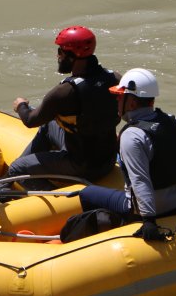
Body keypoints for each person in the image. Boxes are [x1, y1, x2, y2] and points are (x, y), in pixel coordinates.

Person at [77, 68, 176, 242]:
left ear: (131, 103)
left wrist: (149, 220)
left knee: (88, 194)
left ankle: (106, 234)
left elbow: (140, 180)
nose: (116, 99)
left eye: (120, 96)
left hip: (153, 211)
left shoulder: (132, 135)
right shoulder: (173, 122)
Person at [7, 26, 121, 187]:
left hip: (82, 165)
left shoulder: (65, 92)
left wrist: (21, 105)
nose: (57, 56)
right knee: (49, 124)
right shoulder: (115, 78)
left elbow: (30, 120)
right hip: (107, 160)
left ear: (72, 56)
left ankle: (53, 196)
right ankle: (28, 165)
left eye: (60, 52)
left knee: (16, 169)